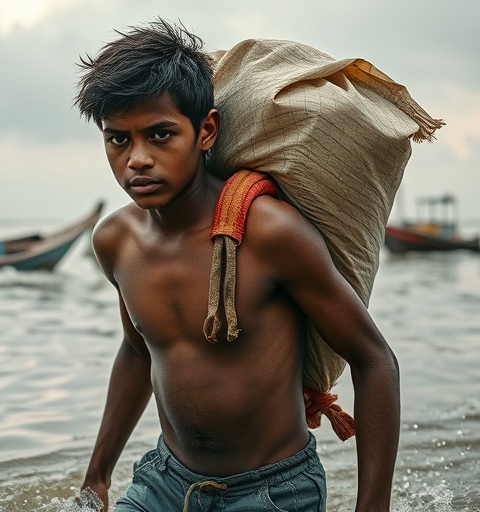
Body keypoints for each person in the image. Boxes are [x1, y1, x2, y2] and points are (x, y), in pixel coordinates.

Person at [74, 18, 400, 511]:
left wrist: (372, 507)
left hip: (274, 490)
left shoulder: (269, 233)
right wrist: (96, 476)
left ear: (206, 130)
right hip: (165, 481)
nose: (137, 159)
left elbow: (375, 359)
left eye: (160, 135)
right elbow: (138, 352)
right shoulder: (116, 241)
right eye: (118, 139)